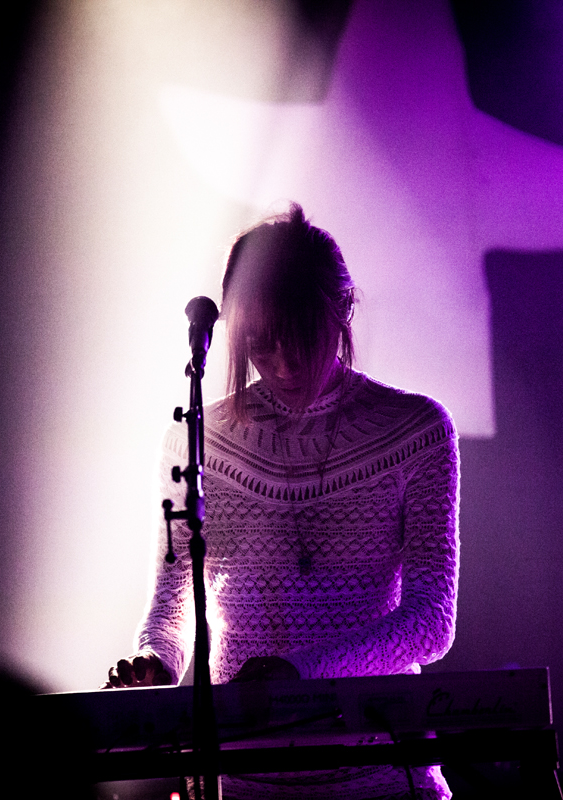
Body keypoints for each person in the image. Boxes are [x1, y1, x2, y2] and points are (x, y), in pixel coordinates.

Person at [107, 203, 460, 800]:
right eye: (262, 343)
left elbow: (431, 621)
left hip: (384, 779)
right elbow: (171, 606)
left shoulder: (415, 431)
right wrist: (154, 666)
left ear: (342, 312)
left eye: (301, 337)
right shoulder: (194, 440)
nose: (284, 361)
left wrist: (302, 673)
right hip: (240, 785)